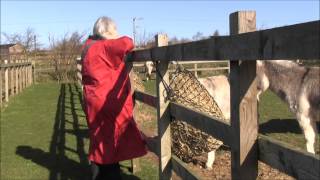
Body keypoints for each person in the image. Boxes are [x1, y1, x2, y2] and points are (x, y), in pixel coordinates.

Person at [81, 16, 147, 180]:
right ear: (107, 32)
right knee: (110, 143)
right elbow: (127, 42)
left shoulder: (88, 47)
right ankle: (111, 176)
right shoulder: (104, 46)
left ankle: (97, 175)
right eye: (114, 31)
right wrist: (115, 38)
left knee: (98, 142)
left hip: (92, 101)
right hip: (106, 103)